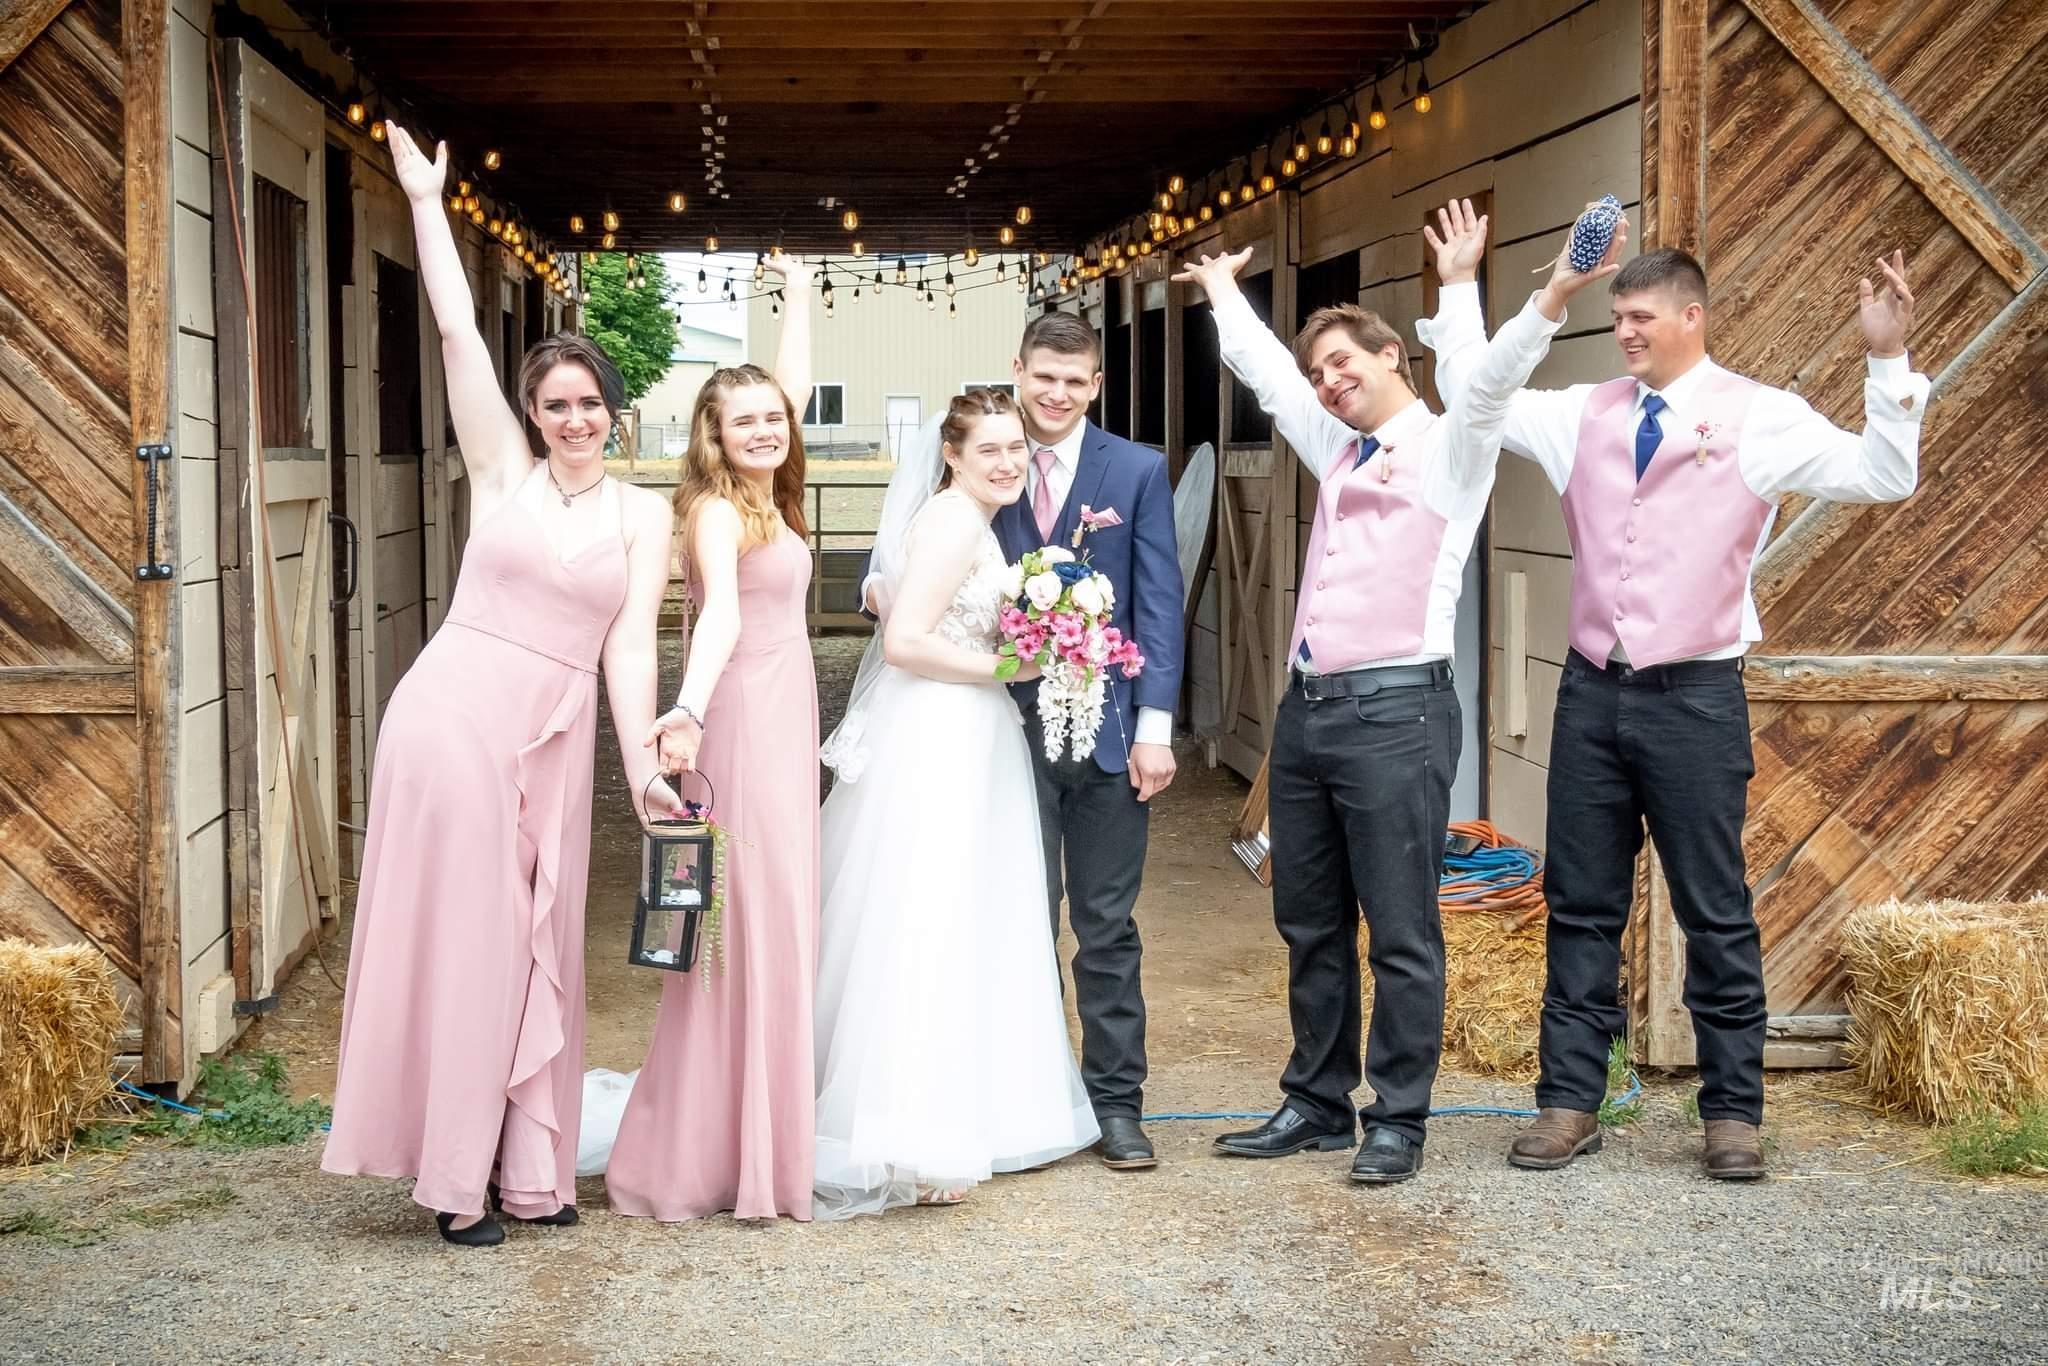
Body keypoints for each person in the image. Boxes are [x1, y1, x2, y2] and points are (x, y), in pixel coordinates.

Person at [1427, 225, 1923, 1180]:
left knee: (1713, 906)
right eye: (1618, 317)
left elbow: (1884, 475)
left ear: (1692, 317)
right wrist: (1500, 294)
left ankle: (1732, 1113)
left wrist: (1889, 360)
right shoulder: (1581, 413)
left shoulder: (1761, 415)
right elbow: (1473, 396)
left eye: (1641, 317)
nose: (1625, 332)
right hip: (1591, 691)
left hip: (1696, 696)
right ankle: (1568, 1102)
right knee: (1580, 903)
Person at [1173, 200, 1603, 1184]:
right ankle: (1316, 1101)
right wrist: (1223, 294)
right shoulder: (1336, 449)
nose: (1328, 383)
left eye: (1343, 364)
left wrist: (1487, 288)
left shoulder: (1455, 445)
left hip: (1397, 713)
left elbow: (1492, 377)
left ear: (1391, 357)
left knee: (1401, 927)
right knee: (1308, 918)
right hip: (1310, 712)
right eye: (1321, 373)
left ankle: (1398, 1118)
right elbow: (1268, 378)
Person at [321, 124, 681, 1247]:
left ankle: (531, 1168)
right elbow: (456, 331)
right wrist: (427, 205)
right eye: (555, 404)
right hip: (455, 716)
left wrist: (644, 771)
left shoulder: (644, 515)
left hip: (556, 734)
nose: (574, 420)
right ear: (533, 415)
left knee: (541, 942)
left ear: (615, 410)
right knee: (473, 938)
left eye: (589, 403)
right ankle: (453, 1181)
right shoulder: (501, 477)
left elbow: (630, 650)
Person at [811, 390, 1099, 1217]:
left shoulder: (973, 520)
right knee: (928, 916)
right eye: (989, 451)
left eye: (1016, 449)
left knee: (966, 914)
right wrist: (1016, 667)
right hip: (941, 731)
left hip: (969, 728)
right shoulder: (952, 524)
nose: (1008, 463)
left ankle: (972, 1111)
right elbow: (906, 642)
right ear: (952, 455)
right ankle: (912, 1130)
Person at [604, 255, 821, 1221]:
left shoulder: (768, 493)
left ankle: (758, 1133)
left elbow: (788, 392)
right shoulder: (717, 512)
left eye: (775, 417)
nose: (768, 429)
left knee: (776, 910)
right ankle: (716, 1148)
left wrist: (800, 294)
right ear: (715, 437)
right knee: (744, 918)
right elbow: (721, 616)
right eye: (747, 422)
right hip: (741, 717)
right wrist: (687, 711)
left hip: (783, 712)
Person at [987, 313, 1184, 1169]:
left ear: (1096, 384)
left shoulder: (1135, 470)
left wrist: (1155, 729)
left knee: (1105, 926)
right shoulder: (983, 459)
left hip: (1110, 735)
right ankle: (1023, 1098)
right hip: (1000, 731)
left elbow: (1160, 603)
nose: (1057, 394)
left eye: (1075, 380)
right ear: (1018, 370)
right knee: (1017, 917)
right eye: (1044, 376)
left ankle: (1115, 1104)